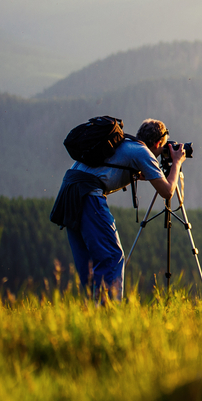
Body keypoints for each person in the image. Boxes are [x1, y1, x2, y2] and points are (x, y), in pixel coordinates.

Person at [50, 118, 186, 300]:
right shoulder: (142, 152)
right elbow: (168, 191)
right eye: (162, 150)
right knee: (112, 256)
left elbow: (108, 169)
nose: (161, 154)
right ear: (157, 143)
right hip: (87, 193)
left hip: (68, 191)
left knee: (88, 263)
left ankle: (92, 312)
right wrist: (177, 162)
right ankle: (110, 312)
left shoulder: (125, 143)